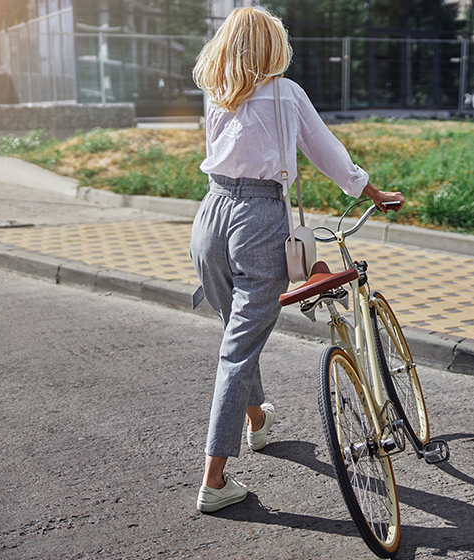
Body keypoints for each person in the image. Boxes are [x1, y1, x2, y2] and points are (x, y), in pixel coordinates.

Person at [189, 7, 404, 513]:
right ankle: (213, 480)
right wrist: (369, 191)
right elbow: (325, 152)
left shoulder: (218, 93)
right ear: (273, 45)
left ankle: (257, 421)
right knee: (238, 348)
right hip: (258, 220)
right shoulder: (286, 93)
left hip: (209, 217)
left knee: (235, 332)